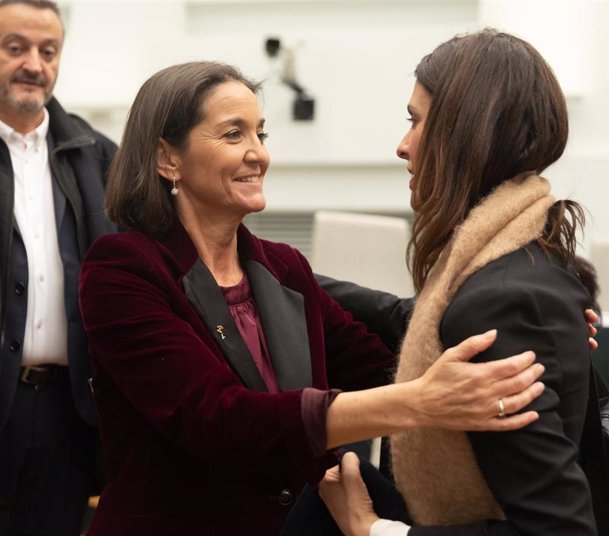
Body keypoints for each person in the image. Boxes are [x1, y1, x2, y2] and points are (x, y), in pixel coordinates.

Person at [77, 60, 549, 535]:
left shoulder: (283, 267)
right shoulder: (123, 269)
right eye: (233, 134)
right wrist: (417, 402)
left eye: (261, 134)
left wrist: (529, 332)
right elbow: (219, 419)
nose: (257, 154)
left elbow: (385, 364)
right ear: (167, 159)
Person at [316, 29, 597, 536]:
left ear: (465, 133)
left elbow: (560, 530)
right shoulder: (522, 258)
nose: (403, 146)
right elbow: (418, 320)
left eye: (416, 121)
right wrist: (273, 273)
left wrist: (372, 530)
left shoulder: (503, 300)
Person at [0, 1, 117, 534]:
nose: (34, 64)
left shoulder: (93, 156)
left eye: (48, 51)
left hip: (64, 414)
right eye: (15, 48)